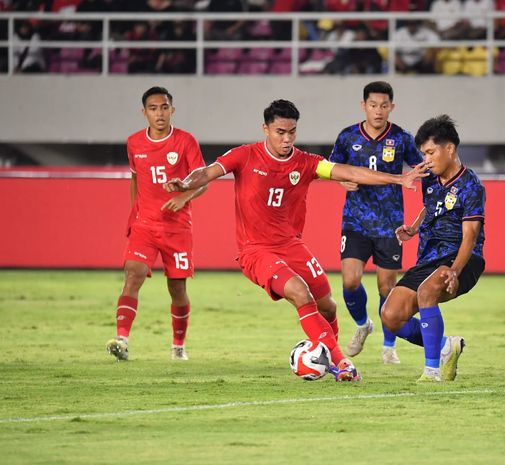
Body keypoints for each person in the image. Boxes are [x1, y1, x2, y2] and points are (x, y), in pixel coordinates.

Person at [164, 99, 426, 381]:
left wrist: (398, 179)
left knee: (328, 306)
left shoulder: (306, 162)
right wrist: (186, 183)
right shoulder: (245, 155)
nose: (286, 139)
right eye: (280, 132)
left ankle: (324, 355)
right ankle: (341, 364)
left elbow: (347, 171)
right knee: (301, 293)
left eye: (292, 132)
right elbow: (208, 171)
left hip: (292, 246)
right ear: (265, 129)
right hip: (256, 251)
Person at [380, 115, 486, 382]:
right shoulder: (430, 177)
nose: (426, 159)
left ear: (449, 148)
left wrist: (454, 270)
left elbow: (470, 235)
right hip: (429, 258)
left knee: (427, 292)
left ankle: (432, 371)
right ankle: (445, 347)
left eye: (430, 152)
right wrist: (415, 227)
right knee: (390, 316)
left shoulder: (471, 186)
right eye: (423, 153)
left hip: (463, 257)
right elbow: (431, 206)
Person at [106, 86, 207, 362]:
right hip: (145, 226)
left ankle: (178, 347)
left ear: (172, 110)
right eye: (153, 108)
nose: (159, 113)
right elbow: (135, 179)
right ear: (144, 113)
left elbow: (202, 181)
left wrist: (184, 197)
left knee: (177, 289)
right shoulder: (134, 143)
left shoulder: (186, 141)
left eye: (164, 107)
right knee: (133, 275)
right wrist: (134, 213)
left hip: (177, 228)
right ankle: (122, 341)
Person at [330, 81, 423, 365]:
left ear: (391, 107)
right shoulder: (347, 136)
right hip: (355, 221)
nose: (378, 111)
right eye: (373, 105)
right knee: (350, 280)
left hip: (389, 225)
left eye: (384, 105)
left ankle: (388, 345)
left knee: (387, 288)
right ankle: (362, 325)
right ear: (363, 106)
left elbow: (420, 168)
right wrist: (342, 179)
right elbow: (331, 168)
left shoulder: (402, 139)